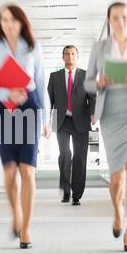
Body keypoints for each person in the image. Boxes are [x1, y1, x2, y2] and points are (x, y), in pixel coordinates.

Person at [84, 2, 127, 251]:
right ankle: (118, 213)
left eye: (124, 17)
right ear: (109, 20)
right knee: (117, 179)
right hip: (111, 116)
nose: (120, 22)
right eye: (115, 18)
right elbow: (87, 83)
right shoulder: (99, 48)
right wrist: (99, 82)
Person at [0, 4, 50, 249]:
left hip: (29, 107)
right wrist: (5, 91)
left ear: (22, 22)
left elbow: (40, 83)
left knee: (27, 170)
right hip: (4, 109)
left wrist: (46, 118)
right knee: (9, 170)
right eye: (4, 20)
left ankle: (27, 229)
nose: (8, 24)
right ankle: (16, 214)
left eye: (13, 20)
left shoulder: (32, 47)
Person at [47, 45, 95, 205]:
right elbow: (49, 101)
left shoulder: (86, 76)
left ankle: (76, 195)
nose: (70, 57)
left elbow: (93, 97)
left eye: (73, 54)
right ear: (63, 57)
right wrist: (45, 121)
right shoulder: (54, 77)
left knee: (80, 158)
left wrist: (93, 113)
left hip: (81, 121)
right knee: (65, 155)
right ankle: (66, 191)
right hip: (62, 122)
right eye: (67, 54)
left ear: (78, 56)